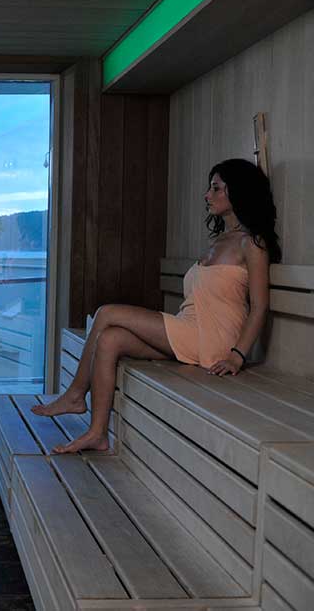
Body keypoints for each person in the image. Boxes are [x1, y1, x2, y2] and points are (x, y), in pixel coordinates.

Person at [32, 158, 281, 453]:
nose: (207, 195)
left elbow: (260, 306)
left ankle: (75, 395)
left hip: (214, 339)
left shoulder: (252, 243)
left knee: (107, 313)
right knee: (110, 339)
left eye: (216, 188)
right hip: (190, 329)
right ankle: (98, 433)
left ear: (237, 191)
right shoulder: (220, 241)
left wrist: (237, 356)